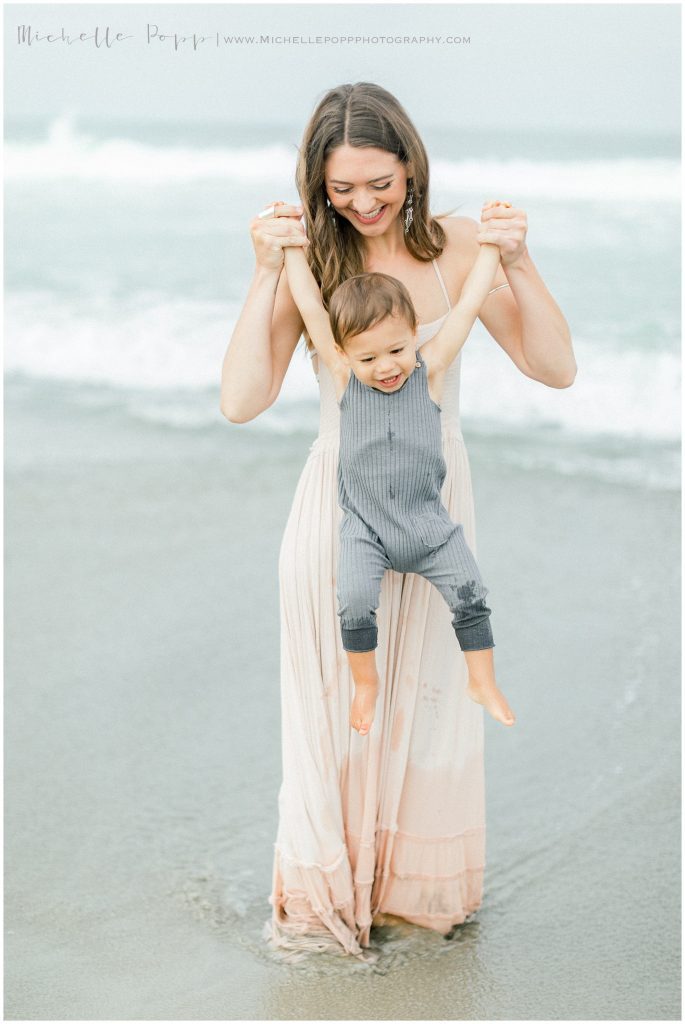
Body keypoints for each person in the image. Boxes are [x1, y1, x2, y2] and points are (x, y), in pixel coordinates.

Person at [220, 82, 576, 960]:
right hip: (337, 513)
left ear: (410, 165)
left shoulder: (456, 247)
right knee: (338, 707)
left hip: (436, 502)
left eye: (378, 181)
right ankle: (324, 904)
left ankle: (413, 907)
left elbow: (553, 368)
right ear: (317, 185)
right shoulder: (315, 260)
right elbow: (240, 400)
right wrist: (265, 270)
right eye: (342, 188)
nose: (364, 202)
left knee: (429, 708)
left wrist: (519, 262)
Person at [282, 212, 516, 737]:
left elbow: (468, 307)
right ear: (342, 355)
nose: (386, 366)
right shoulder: (344, 378)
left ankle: (483, 679)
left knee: (471, 590)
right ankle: (366, 681)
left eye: (396, 350)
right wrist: (293, 249)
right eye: (369, 358)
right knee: (355, 598)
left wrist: (492, 249)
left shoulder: (426, 372)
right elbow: (310, 307)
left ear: (414, 336)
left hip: (429, 524)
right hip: (366, 528)